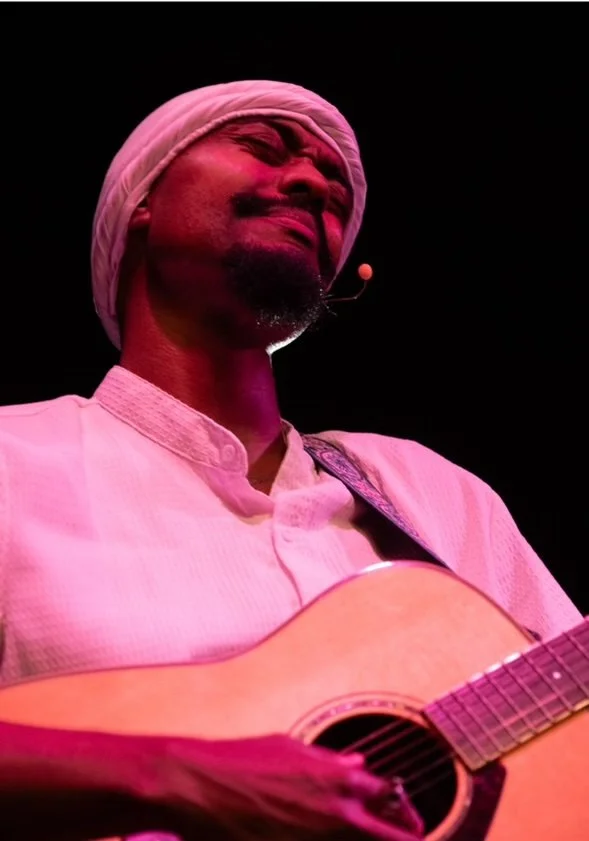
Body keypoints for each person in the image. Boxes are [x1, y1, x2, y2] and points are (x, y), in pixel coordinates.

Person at [0, 80, 581, 841]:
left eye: (335, 188)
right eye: (264, 148)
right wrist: (181, 776)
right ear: (141, 199)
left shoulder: (427, 492)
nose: (313, 183)